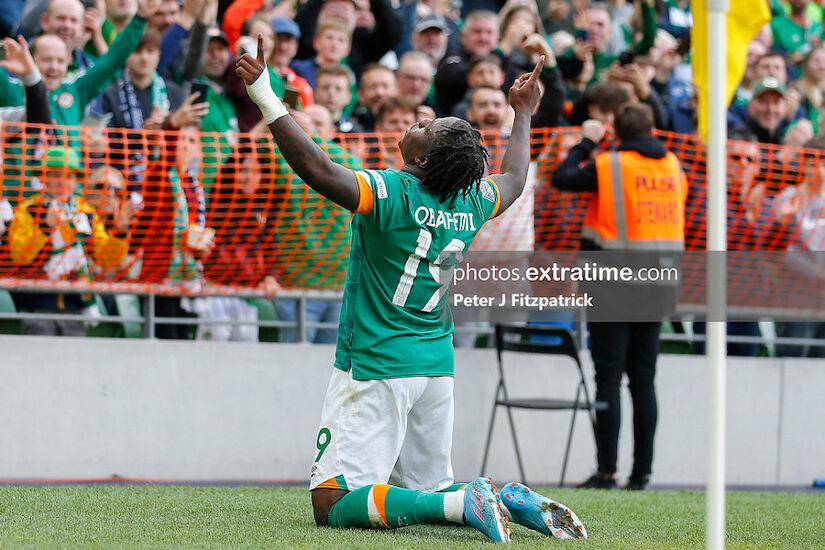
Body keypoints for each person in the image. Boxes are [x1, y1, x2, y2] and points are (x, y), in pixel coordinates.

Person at [237, 33, 587, 542]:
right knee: (432, 488)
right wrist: (524, 113)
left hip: (378, 362)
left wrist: (266, 95)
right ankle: (499, 497)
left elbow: (314, 167)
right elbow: (514, 178)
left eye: (426, 126)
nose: (416, 121)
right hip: (436, 368)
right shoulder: (470, 199)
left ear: (422, 161)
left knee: (331, 504)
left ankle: (468, 501)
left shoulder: (391, 191)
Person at [552, 103, 688, 490]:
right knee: (644, 380)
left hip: (611, 284)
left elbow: (561, 178)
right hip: (659, 284)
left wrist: (585, 144)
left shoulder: (610, 164)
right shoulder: (674, 166)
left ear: (617, 134)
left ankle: (607, 472)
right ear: (653, 130)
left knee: (608, 378)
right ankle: (642, 474)